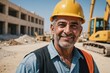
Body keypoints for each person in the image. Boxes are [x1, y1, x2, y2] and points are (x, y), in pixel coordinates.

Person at [16, 0, 99, 73]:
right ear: (52, 29)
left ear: (80, 31)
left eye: (73, 25)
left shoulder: (88, 61)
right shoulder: (32, 64)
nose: (67, 31)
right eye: (62, 24)